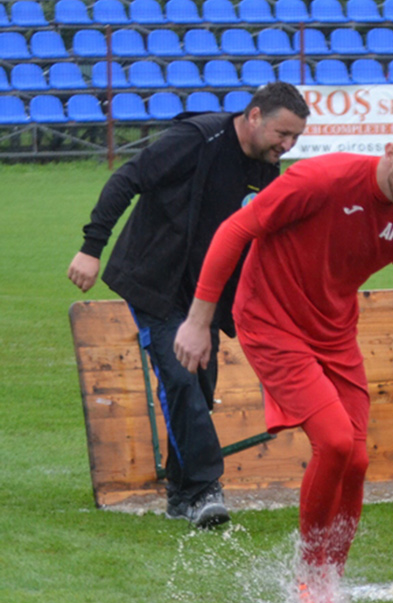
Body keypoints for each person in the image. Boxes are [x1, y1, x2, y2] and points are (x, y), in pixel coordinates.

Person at [173, 113, 393, 603]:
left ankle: (332, 583)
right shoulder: (321, 181)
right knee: (335, 441)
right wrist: (198, 321)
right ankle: (309, 578)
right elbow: (236, 228)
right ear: (391, 152)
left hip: (333, 334)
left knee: (357, 460)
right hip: (270, 321)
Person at [68, 82, 309, 528]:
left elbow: (259, 240)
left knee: (199, 386)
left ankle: (180, 496)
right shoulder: (197, 138)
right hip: (154, 281)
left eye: (295, 138)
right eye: (282, 133)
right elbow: (128, 178)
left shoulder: (266, 170)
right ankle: (204, 491)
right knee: (179, 376)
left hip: (204, 297)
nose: (287, 144)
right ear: (254, 116)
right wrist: (91, 246)